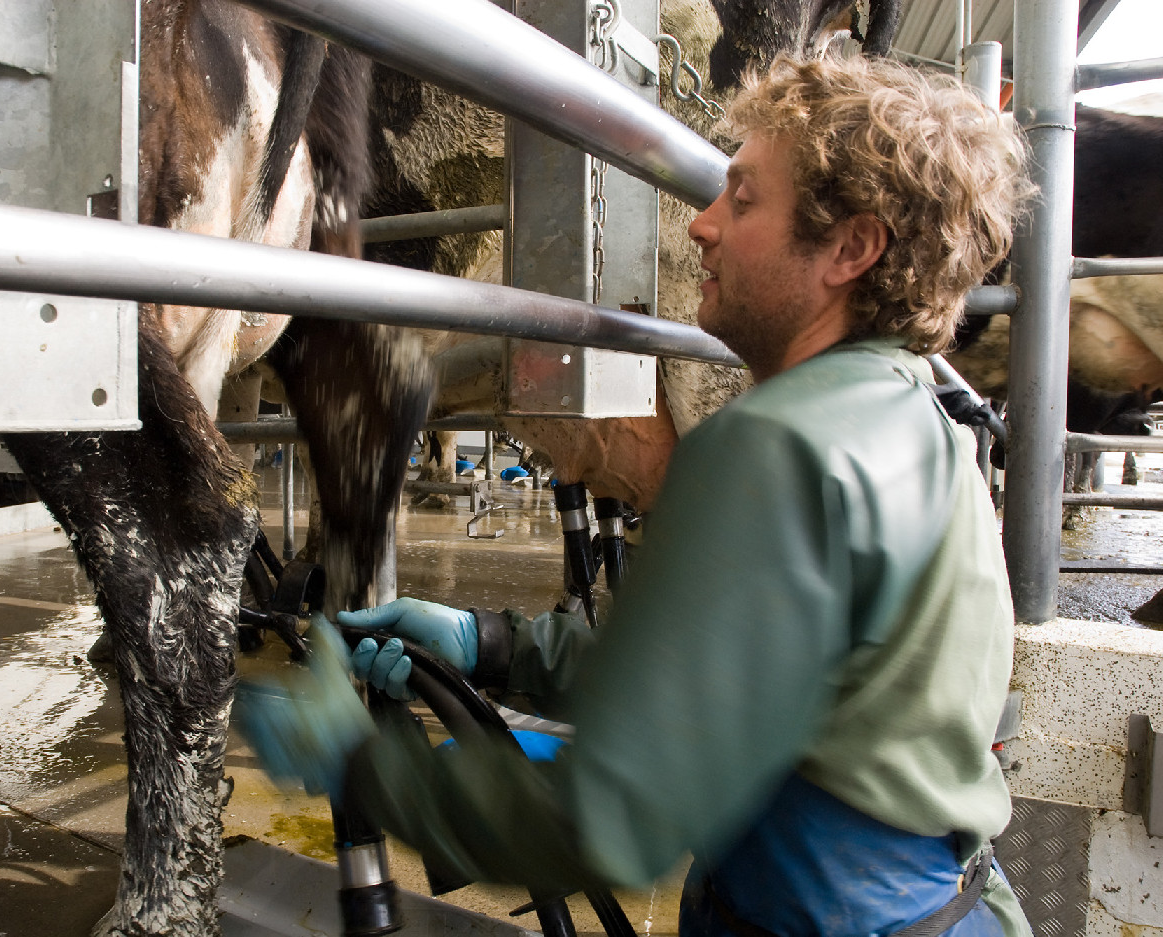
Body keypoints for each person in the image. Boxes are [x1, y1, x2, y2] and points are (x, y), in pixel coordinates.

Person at [240, 53, 1036, 937]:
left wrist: (362, 766)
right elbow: (725, 679)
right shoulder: (922, 423)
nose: (702, 223)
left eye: (743, 199)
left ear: (852, 248)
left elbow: (611, 821)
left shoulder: (777, 445)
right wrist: (489, 643)